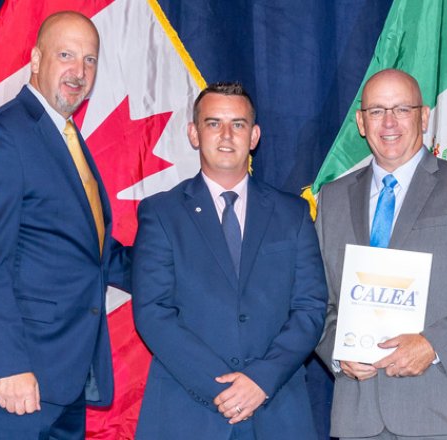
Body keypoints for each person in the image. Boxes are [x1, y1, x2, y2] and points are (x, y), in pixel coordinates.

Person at [0, 11, 132, 439]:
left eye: (90, 60)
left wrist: (184, 268)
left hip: (65, 377)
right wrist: (9, 365)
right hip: (16, 380)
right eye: (66, 55)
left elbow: (94, 254)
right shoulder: (1, 136)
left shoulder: (66, 138)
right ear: (35, 59)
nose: (79, 71)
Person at [315, 68, 447, 439]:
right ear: (361, 123)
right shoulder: (332, 199)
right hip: (358, 416)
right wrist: (336, 350)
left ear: (424, 117)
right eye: (376, 111)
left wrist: (433, 344)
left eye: (402, 109)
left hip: (440, 413)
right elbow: (318, 299)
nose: (389, 122)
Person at [132, 82, 327, 440]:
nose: (226, 134)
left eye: (237, 124)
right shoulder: (160, 214)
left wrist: (260, 380)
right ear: (193, 133)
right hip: (187, 412)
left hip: (277, 408)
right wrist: (223, 389)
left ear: (254, 136)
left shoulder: (293, 214)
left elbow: (311, 308)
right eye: (213, 123)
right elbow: (153, 311)